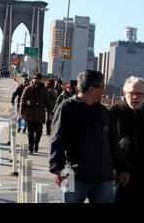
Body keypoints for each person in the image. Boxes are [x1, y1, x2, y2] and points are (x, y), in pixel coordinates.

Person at [49, 70, 130, 203]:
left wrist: (122, 168)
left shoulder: (103, 111)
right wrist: (58, 169)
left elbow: (112, 143)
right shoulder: (66, 109)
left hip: (102, 178)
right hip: (73, 176)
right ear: (91, 89)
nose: (104, 90)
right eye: (102, 86)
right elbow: (57, 140)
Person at [109, 76, 144, 203]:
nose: (135, 98)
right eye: (131, 94)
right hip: (121, 175)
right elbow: (107, 144)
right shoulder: (114, 112)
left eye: (139, 94)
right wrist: (117, 169)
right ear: (124, 93)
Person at [19, 73, 53, 154]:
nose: (35, 80)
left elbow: (48, 103)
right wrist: (22, 113)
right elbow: (22, 101)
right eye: (34, 78)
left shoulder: (44, 90)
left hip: (40, 115)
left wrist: (50, 113)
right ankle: (30, 147)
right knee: (30, 132)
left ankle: (36, 144)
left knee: (39, 133)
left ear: (40, 79)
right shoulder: (28, 89)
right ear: (32, 79)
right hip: (30, 114)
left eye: (37, 78)